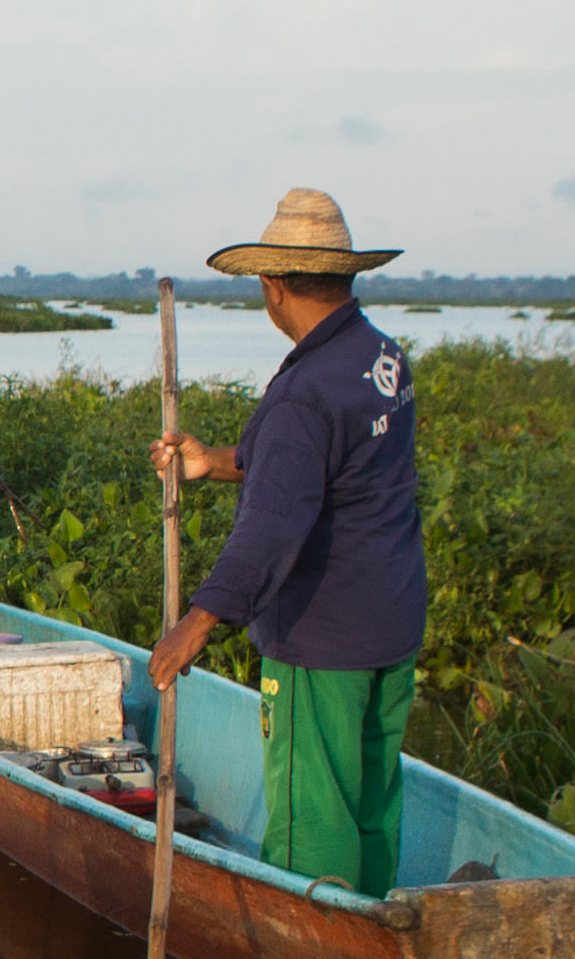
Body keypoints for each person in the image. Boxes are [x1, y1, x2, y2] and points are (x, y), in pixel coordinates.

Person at [144, 187, 426, 897]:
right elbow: (320, 466)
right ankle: (372, 940)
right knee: (369, 802)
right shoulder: (378, 357)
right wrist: (216, 459)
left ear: (273, 287)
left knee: (312, 823)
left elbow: (270, 531)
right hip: (390, 623)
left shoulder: (306, 390)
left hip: (322, 638)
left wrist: (195, 626)